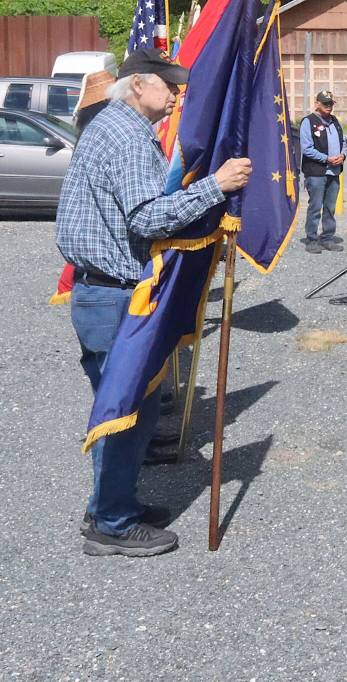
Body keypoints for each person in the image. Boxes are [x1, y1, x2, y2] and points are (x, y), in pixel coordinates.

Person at [55, 48, 252, 557]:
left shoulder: (117, 127)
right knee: (128, 408)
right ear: (139, 85)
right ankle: (111, 523)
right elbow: (147, 219)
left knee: (125, 404)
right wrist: (216, 186)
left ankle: (111, 504)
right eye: (169, 87)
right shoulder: (124, 137)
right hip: (114, 295)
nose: (176, 97)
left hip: (107, 291)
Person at [300, 90, 346, 253]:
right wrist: (326, 158)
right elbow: (307, 149)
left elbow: (343, 141)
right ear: (317, 103)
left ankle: (327, 238)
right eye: (325, 103)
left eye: (331, 104)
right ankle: (311, 239)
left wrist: (343, 155)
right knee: (315, 206)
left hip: (334, 171)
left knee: (330, 207)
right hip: (316, 172)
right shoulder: (308, 122)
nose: (328, 107)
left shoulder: (335, 121)